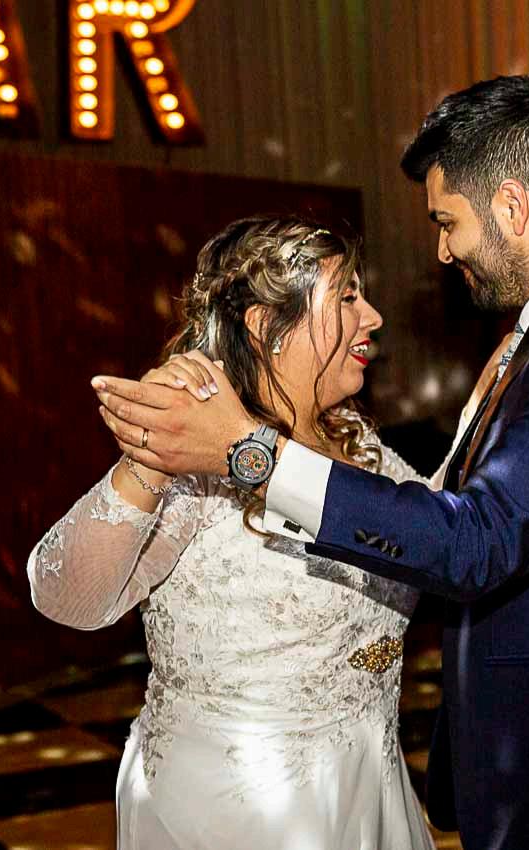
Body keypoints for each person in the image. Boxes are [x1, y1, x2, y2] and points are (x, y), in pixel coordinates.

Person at [96, 74, 529, 849]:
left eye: (448, 222)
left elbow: (477, 541)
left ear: (511, 206)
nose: (443, 251)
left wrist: (251, 455)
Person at [27, 216, 436, 849]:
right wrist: (148, 458)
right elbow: (67, 598)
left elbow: (441, 535)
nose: (373, 317)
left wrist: (484, 409)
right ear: (268, 325)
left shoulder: (359, 442)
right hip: (237, 810)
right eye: (348, 297)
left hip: (368, 784)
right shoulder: (195, 470)